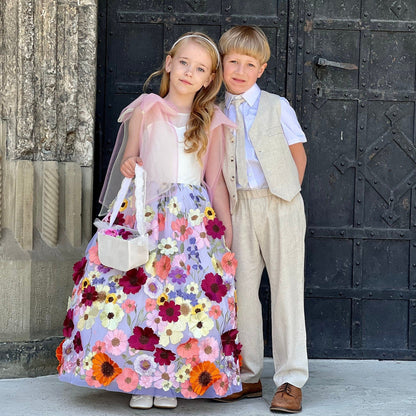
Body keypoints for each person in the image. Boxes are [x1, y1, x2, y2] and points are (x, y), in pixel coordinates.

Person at [56, 32, 242, 410]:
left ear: (209, 79)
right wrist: (130, 164)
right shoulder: (146, 108)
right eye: (184, 63)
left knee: (182, 298)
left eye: (200, 69)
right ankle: (140, 379)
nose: (190, 73)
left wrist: (227, 234)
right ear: (169, 63)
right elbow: (130, 158)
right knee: (138, 292)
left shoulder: (211, 120)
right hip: (145, 211)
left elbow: (215, 181)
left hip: (190, 220)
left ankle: (170, 381)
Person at [217, 26, 308, 413]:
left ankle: (290, 380)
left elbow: (298, 155)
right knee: (243, 291)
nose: (239, 70)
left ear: (261, 69)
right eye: (232, 61)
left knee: (286, 289)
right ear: (221, 65)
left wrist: (286, 195)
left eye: (248, 64)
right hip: (240, 206)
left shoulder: (276, 105)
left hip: (280, 203)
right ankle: (248, 372)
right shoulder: (215, 112)